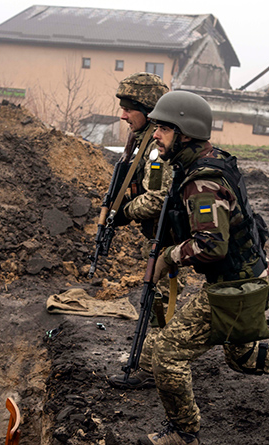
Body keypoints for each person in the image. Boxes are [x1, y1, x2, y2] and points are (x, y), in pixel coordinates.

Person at [136, 90, 269, 445]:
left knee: (167, 354)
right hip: (250, 276)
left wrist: (168, 257)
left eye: (163, 128)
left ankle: (183, 432)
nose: (155, 135)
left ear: (184, 131)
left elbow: (210, 247)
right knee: (243, 353)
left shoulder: (202, 182)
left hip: (234, 284)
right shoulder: (207, 161)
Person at [105, 72, 177, 390]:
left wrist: (125, 212)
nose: (122, 115)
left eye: (129, 108)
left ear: (147, 110)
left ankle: (150, 366)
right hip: (166, 236)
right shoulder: (144, 140)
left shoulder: (155, 148)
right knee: (156, 299)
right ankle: (150, 362)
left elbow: (156, 199)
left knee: (156, 298)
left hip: (174, 237)